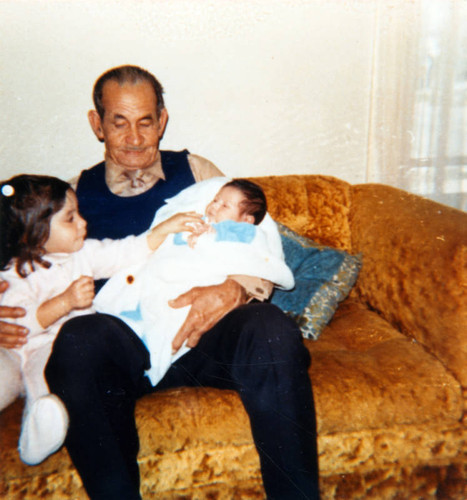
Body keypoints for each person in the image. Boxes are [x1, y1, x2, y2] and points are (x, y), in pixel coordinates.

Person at [0, 65, 320, 500]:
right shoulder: (72, 198)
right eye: (119, 122)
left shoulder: (200, 174)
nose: (134, 137)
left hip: (204, 337)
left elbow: (257, 238)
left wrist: (234, 288)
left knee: (271, 329)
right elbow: (18, 263)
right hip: (124, 345)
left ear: (162, 121)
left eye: (146, 121)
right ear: (97, 124)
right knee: (80, 336)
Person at [0, 174, 203, 465]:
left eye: (78, 213)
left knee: (46, 387)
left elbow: (124, 252)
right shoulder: (16, 271)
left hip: (53, 349)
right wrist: (64, 302)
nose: (83, 223)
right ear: (34, 231)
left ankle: (34, 440)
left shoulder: (84, 253)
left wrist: (162, 231)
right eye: (70, 218)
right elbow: (17, 327)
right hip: (18, 348)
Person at [95, 177, 295, 386]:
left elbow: (256, 256)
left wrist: (209, 240)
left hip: (204, 309)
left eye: (223, 205)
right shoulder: (84, 188)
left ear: (247, 220)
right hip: (112, 322)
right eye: (215, 200)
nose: (214, 206)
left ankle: (156, 347)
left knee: (268, 321)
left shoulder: (242, 228)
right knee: (87, 332)